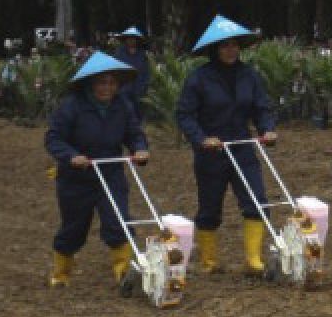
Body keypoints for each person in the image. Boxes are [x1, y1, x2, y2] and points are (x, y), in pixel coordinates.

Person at [176, 15, 276, 275]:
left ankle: (253, 260)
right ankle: (209, 261)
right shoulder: (199, 78)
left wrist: (267, 129)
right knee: (210, 208)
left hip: (242, 146)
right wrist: (201, 139)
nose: (230, 50)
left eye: (234, 45)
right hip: (212, 151)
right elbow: (185, 115)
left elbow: (261, 107)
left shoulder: (249, 75)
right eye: (224, 46)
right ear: (214, 49)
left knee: (256, 201)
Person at [45, 52, 150, 288]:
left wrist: (140, 150)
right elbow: (53, 139)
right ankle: (61, 274)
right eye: (102, 82)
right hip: (76, 178)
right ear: (90, 83)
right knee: (74, 228)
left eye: (112, 83)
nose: (107, 88)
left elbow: (134, 134)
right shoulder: (72, 107)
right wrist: (72, 156)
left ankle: (124, 275)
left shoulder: (122, 105)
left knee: (119, 222)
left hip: (111, 172)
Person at [114, 27, 151, 119]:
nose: (131, 40)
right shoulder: (119, 53)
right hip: (124, 87)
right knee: (126, 110)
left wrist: (145, 84)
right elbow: (115, 69)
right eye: (129, 38)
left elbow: (146, 71)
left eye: (134, 38)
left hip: (139, 87)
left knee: (139, 112)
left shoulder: (142, 54)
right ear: (125, 39)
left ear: (137, 40)